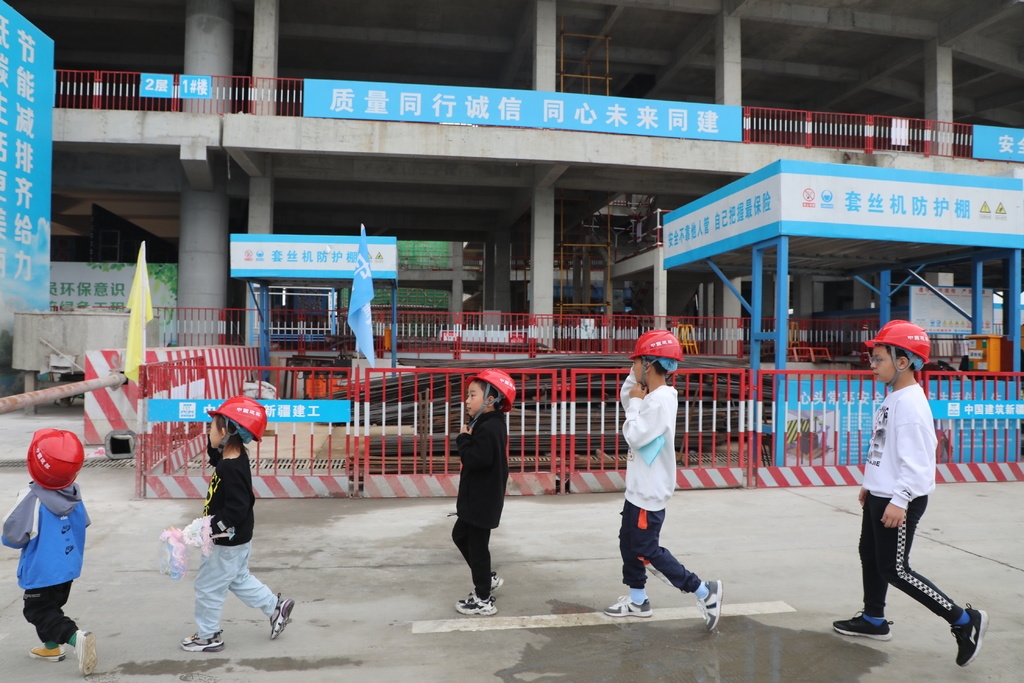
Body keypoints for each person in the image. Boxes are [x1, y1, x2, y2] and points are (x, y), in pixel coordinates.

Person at [832, 320, 988, 667]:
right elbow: (884, 446)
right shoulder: (894, 397)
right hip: (882, 493)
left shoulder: (911, 405)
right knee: (870, 555)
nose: (872, 365)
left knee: (895, 569)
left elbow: (919, 461)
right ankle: (873, 619)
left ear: (903, 362)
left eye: (878, 359)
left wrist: (900, 499)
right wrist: (871, 482)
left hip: (899, 499)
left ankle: (965, 621)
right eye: (872, 358)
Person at [604, 330, 723, 631]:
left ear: (649, 364)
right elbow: (627, 395)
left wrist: (635, 402)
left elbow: (634, 434)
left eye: (636, 361)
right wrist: (635, 386)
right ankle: (638, 599)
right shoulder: (652, 395)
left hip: (649, 493)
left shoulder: (659, 401)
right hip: (637, 491)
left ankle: (703, 590)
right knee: (628, 544)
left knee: (647, 551)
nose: (631, 367)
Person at [180, 396, 295, 652]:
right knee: (238, 578)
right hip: (238, 539)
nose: (208, 431)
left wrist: (209, 529)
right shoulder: (233, 457)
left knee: (208, 587)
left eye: (212, 426)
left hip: (225, 542)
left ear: (225, 431)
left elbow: (238, 507)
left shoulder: (231, 468)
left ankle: (209, 636)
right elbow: (215, 455)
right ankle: (275, 607)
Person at [2, 428, 98, 676]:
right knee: (51, 607)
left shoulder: (32, 498)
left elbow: (12, 536)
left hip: (43, 570)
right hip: (68, 567)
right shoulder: (73, 493)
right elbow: (83, 523)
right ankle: (51, 648)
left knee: (37, 610)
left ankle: (76, 637)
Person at [452, 369, 516, 616]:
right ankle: (486, 579)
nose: (467, 401)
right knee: (460, 535)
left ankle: (483, 599)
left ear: (490, 399)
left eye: (472, 395)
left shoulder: (489, 427)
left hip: (482, 500)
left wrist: (463, 439)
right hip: (478, 499)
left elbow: (475, 459)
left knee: (478, 548)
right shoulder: (488, 423)